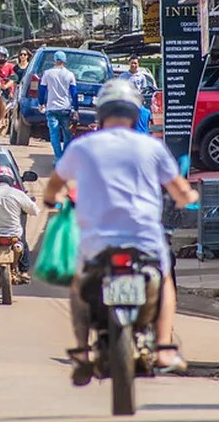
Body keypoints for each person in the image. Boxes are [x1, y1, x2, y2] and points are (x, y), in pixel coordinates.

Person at [42, 79, 200, 383]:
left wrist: (51, 199)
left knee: (78, 286)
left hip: (96, 243)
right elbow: (180, 190)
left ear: (101, 113)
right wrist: (189, 197)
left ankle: (82, 350)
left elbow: (55, 183)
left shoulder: (82, 146)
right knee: (165, 280)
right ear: (133, 113)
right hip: (145, 242)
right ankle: (165, 347)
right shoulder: (151, 146)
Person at [38, 50, 78, 162]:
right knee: (67, 134)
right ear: (65, 61)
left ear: (54, 60)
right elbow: (74, 93)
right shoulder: (70, 74)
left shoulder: (47, 73)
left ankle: (58, 156)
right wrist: (76, 109)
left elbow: (42, 90)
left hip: (51, 108)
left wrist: (41, 103)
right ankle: (64, 155)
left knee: (54, 134)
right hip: (65, 108)